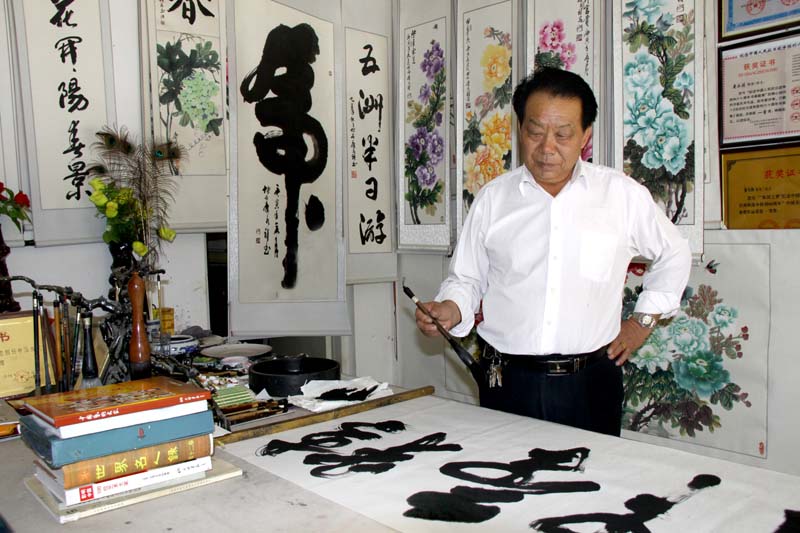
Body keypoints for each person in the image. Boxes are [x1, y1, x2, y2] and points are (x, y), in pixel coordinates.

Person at [414, 67, 691, 437]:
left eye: (562, 134)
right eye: (535, 132)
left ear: (585, 136)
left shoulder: (620, 195)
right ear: (520, 129)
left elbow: (675, 253)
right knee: (502, 470)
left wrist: (641, 323)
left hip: (590, 383)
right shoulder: (494, 199)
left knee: (592, 472)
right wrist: (450, 309)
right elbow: (467, 278)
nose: (547, 148)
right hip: (507, 381)